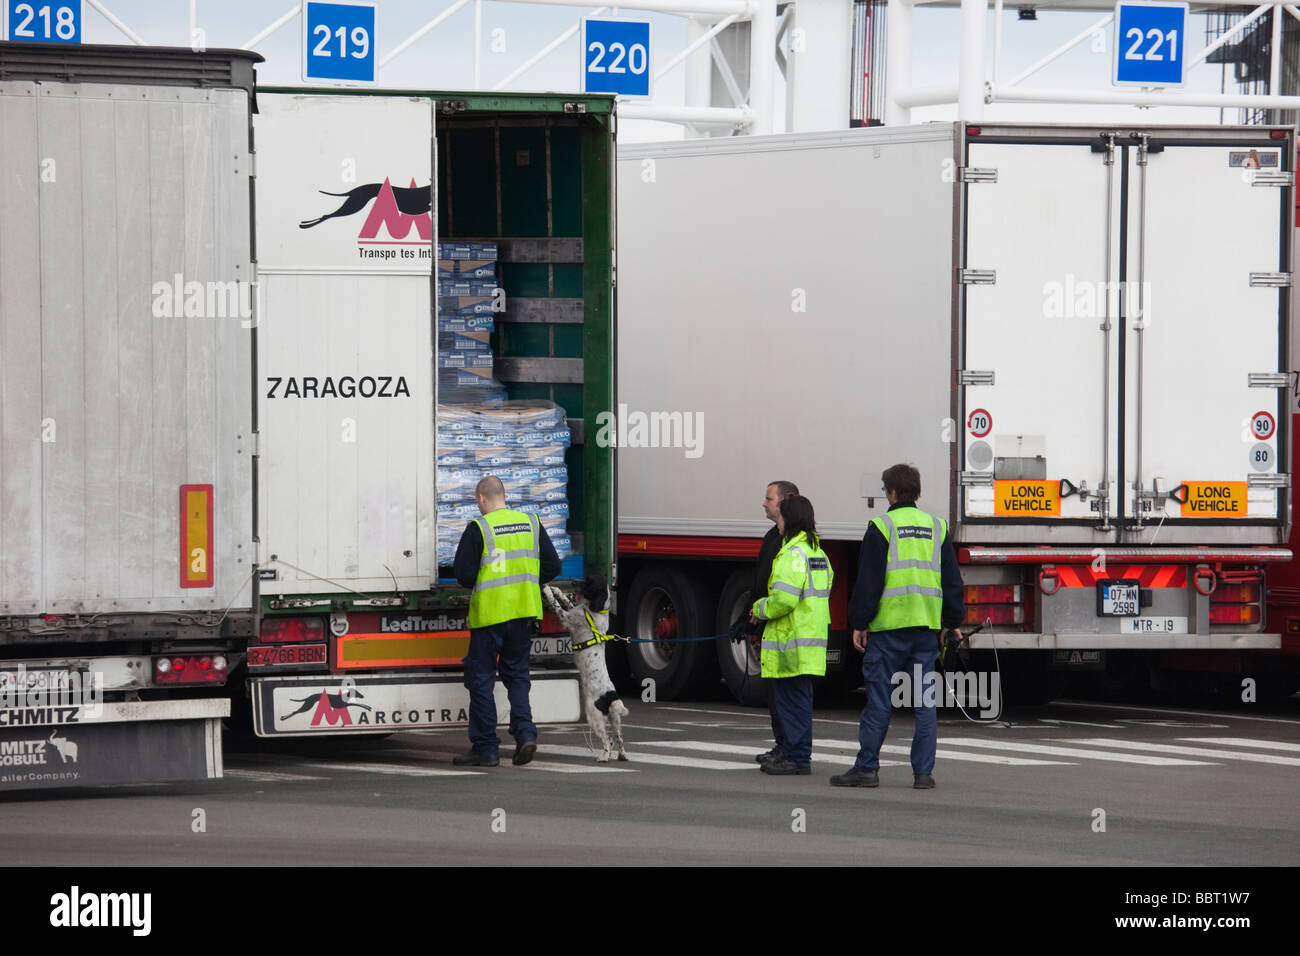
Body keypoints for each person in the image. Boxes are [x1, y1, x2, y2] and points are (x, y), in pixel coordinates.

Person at [831, 464, 964, 790]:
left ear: (890, 492)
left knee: (879, 701)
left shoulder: (882, 526)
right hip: (925, 629)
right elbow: (951, 582)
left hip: (888, 629)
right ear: (916, 492)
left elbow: (869, 581)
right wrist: (951, 623)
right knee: (925, 703)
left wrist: (859, 622)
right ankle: (923, 774)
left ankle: (867, 769)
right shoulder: (937, 527)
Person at [452, 475, 561, 767]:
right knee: (517, 677)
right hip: (523, 612)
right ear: (504, 495)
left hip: (490, 615)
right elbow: (553, 565)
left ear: (480, 499)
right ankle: (526, 734)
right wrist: (525, 581)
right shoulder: (532, 523)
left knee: (481, 680)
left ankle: (486, 748)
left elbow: (463, 575)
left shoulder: (479, 528)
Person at [751, 494, 833, 776]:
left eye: (782, 516)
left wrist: (759, 608)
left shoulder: (791, 555)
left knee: (790, 703)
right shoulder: (818, 554)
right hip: (810, 641)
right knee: (800, 701)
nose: (779, 522)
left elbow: (783, 600)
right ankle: (794, 754)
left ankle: (796, 758)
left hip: (790, 642)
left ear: (791, 520)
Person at [753, 480, 799, 766]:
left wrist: (762, 613)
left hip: (786, 630)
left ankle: (790, 748)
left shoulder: (793, 541)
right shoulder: (773, 536)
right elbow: (761, 582)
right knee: (773, 691)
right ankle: (782, 745)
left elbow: (784, 595)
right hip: (769, 624)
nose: (764, 503)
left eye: (769, 498)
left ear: (786, 500)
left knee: (786, 694)